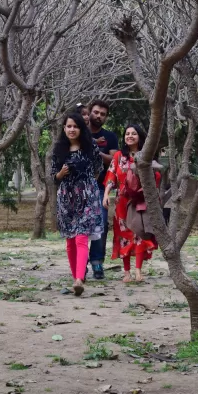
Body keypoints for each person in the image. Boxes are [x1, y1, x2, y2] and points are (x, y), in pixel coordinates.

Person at [50, 113, 104, 296]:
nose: (72, 129)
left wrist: (88, 187)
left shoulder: (91, 147)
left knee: (81, 237)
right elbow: (53, 177)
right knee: (70, 240)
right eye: (68, 126)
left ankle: (80, 278)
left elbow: (98, 169)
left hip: (87, 197)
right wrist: (61, 174)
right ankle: (76, 280)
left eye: (75, 126)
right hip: (66, 199)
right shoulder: (58, 150)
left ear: (81, 129)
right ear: (64, 129)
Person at [103, 124, 161, 283]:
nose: (129, 136)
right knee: (124, 236)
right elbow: (111, 176)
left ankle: (138, 271)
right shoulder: (118, 157)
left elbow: (155, 176)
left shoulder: (145, 156)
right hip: (122, 202)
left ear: (139, 137)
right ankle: (127, 272)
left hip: (141, 202)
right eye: (127, 133)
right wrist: (106, 194)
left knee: (140, 234)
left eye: (133, 134)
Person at [87, 100, 118, 280]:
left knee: (101, 223)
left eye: (103, 114)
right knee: (80, 226)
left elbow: (113, 160)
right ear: (90, 112)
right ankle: (80, 263)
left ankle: (97, 261)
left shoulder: (110, 137)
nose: (99, 116)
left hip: (101, 186)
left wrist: (95, 151)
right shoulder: (78, 132)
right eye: (96, 112)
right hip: (79, 186)